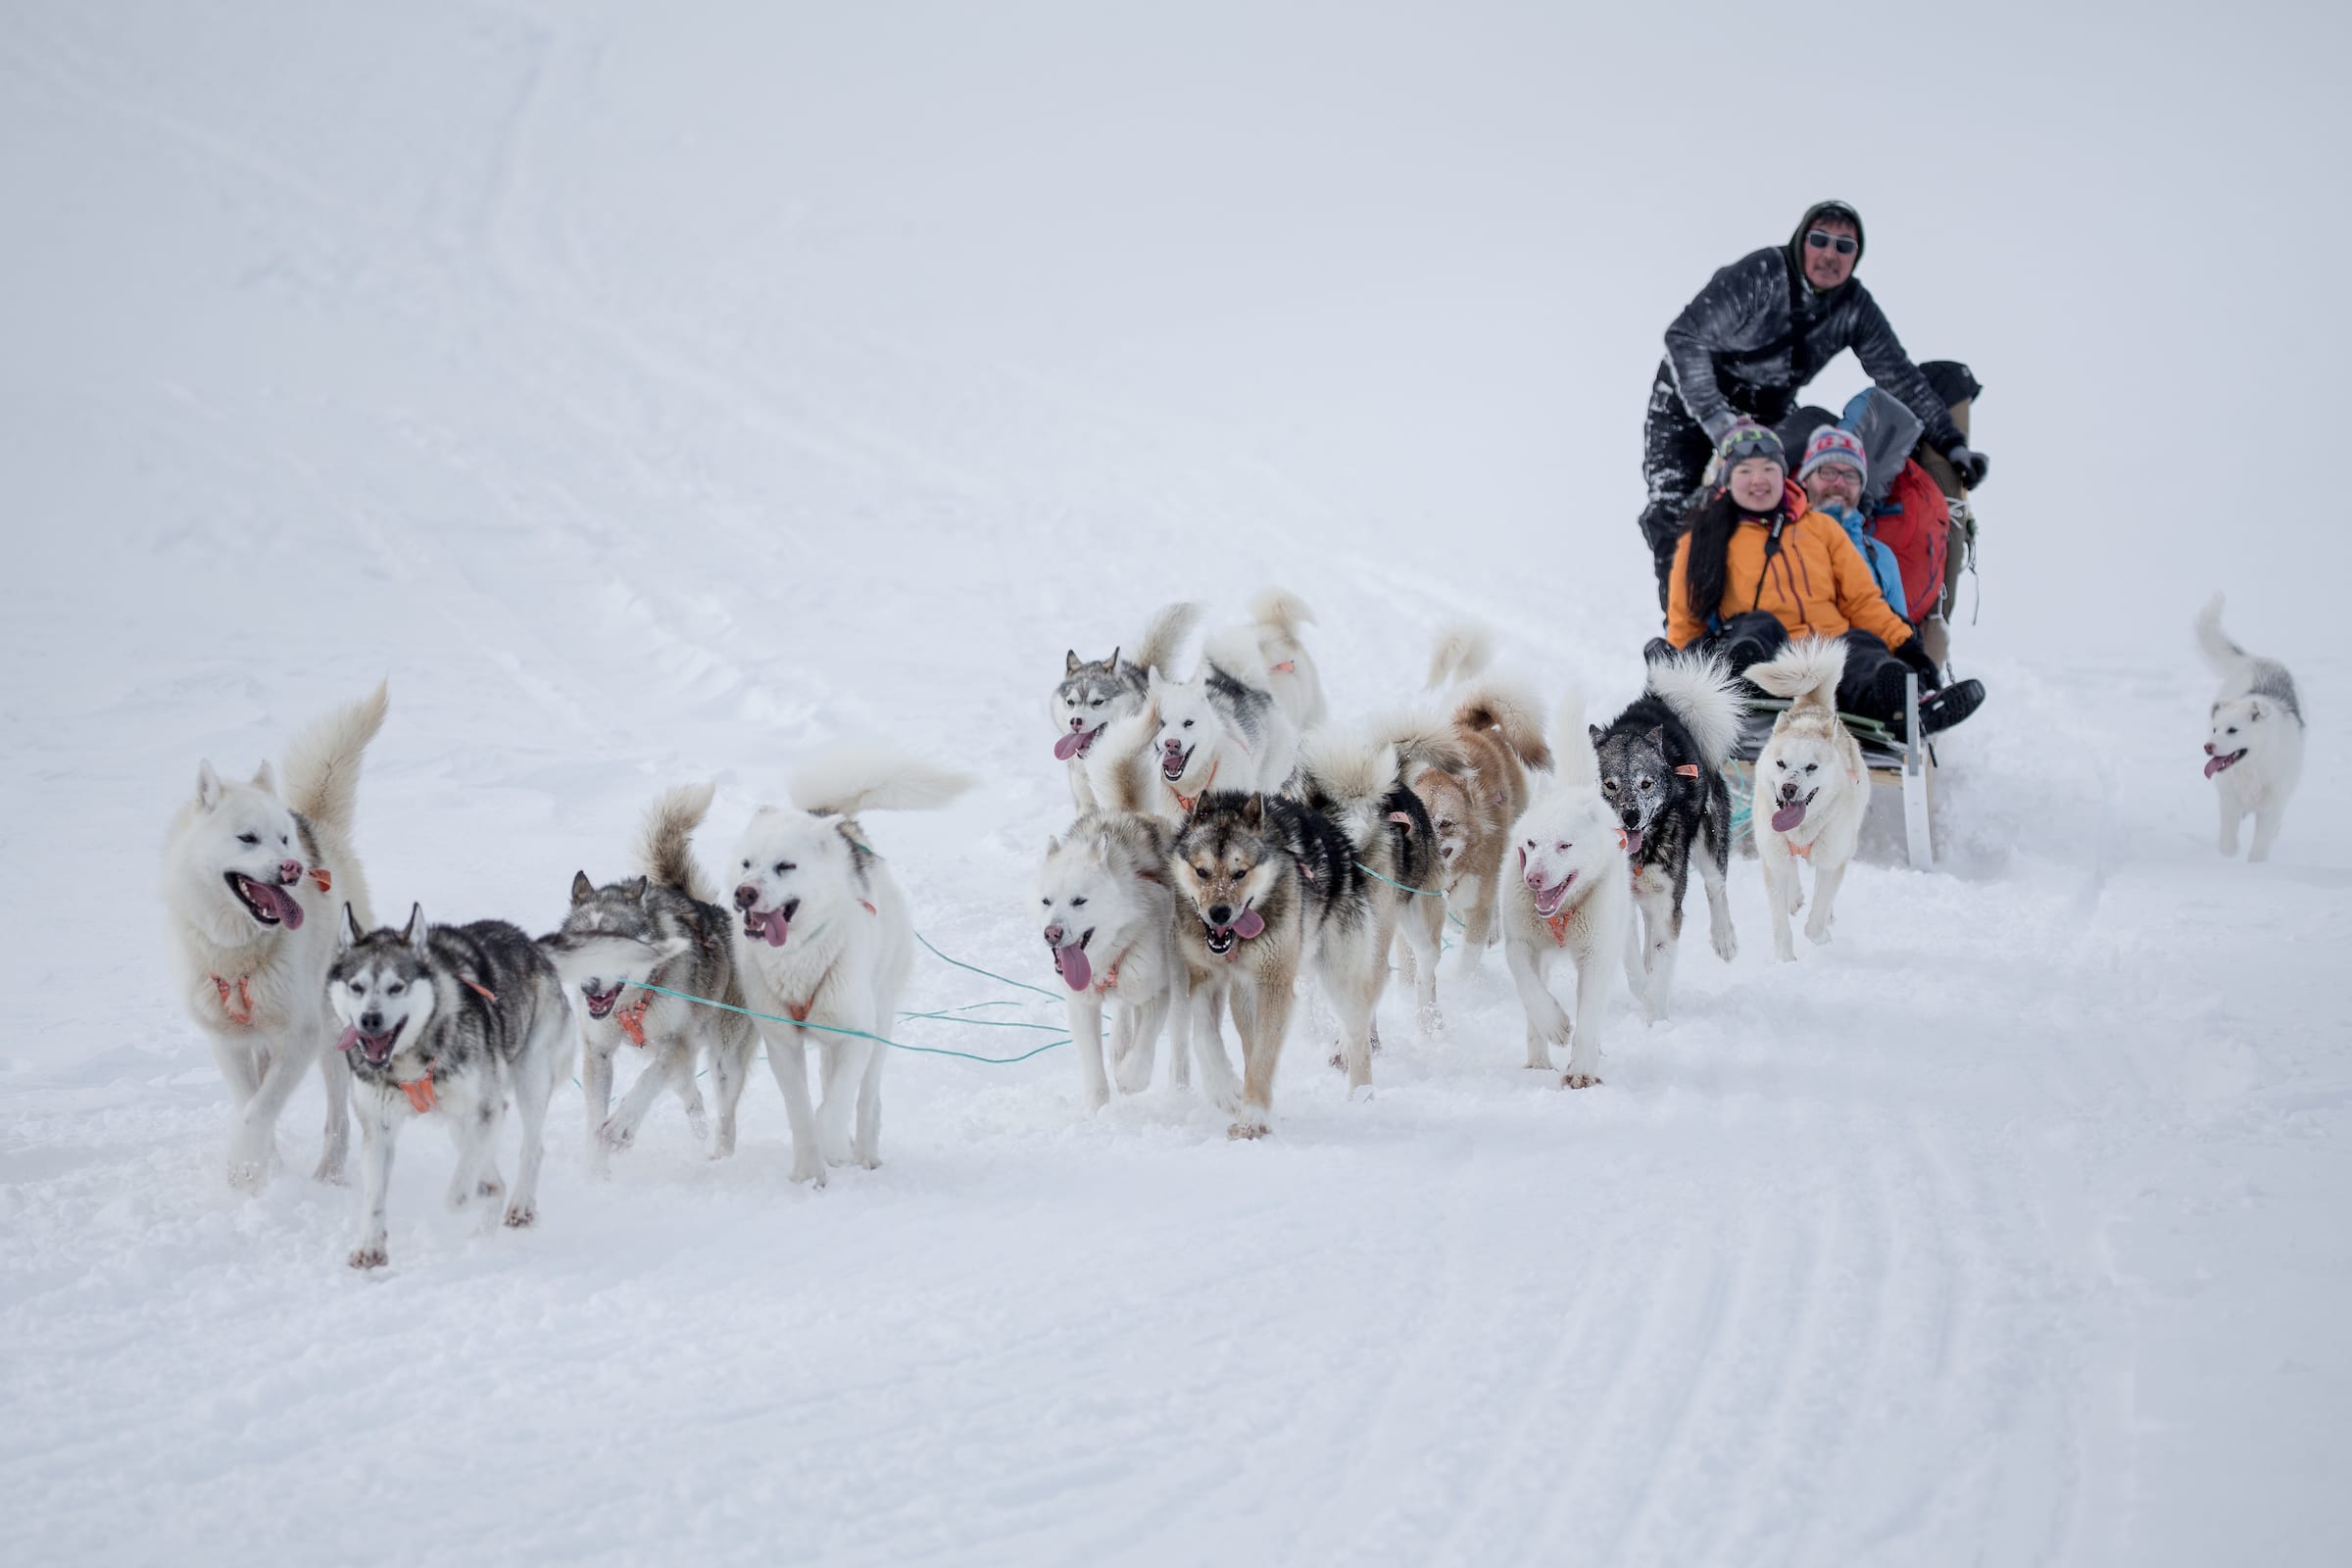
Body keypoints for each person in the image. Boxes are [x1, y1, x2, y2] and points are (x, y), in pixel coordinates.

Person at [1638, 200, 1990, 605]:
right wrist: (1720, 423)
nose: (1829, 254)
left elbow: (1900, 378)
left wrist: (1950, 441)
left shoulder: (1853, 307)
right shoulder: (1762, 275)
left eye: (1844, 246)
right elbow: (1685, 337)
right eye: (1820, 239)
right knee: (1673, 508)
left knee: (1775, 498)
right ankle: (1682, 634)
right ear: (1801, 240)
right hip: (1688, 398)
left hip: (1766, 407)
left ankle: (1762, 618)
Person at [1661, 423, 1985, 735]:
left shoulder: (1820, 528)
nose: (1758, 480)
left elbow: (1862, 601)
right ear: (1728, 479)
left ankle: (1899, 704)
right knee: (1757, 626)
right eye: (1745, 471)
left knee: (1863, 647)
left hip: (1826, 653)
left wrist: (1907, 647)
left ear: (1783, 474)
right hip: (1767, 652)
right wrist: (1677, 677)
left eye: (1768, 469)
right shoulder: (1704, 539)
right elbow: (1685, 620)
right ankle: (1746, 685)